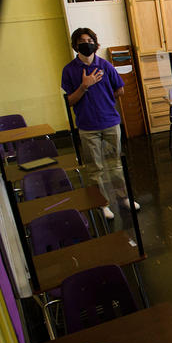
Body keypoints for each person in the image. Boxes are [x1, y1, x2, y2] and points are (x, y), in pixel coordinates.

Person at [61, 27, 140, 220]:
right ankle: (102, 203)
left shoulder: (105, 66)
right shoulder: (69, 70)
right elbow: (69, 101)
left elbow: (120, 90)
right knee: (95, 168)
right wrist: (84, 86)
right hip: (87, 127)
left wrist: (104, 98)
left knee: (116, 165)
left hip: (110, 122)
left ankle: (123, 198)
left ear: (95, 44)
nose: (86, 44)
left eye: (89, 40)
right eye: (81, 41)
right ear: (75, 45)